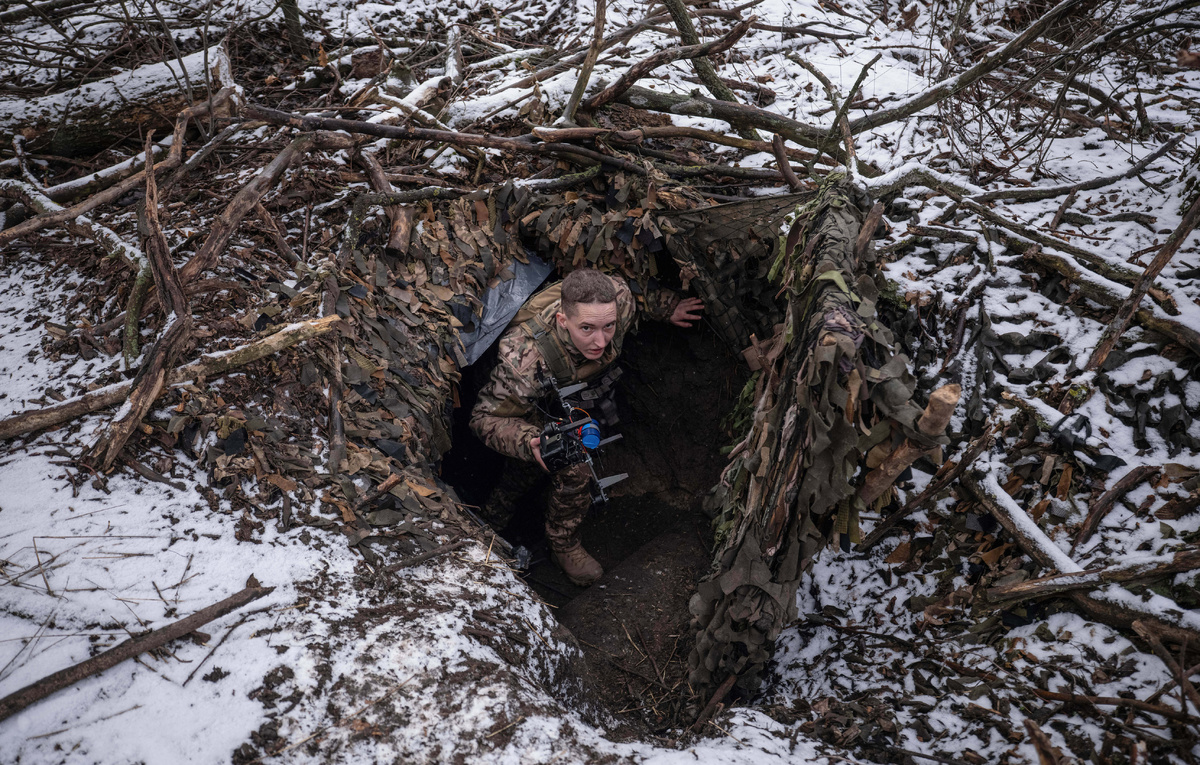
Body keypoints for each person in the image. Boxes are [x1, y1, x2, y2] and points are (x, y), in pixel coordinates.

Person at [470, 268, 704, 586]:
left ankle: (506, 506)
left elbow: (636, 292)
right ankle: (556, 540)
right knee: (569, 464)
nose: (601, 341)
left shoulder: (618, 299)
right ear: (564, 322)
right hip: (519, 406)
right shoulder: (524, 360)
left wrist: (668, 306)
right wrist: (531, 441)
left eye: (608, 326)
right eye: (588, 329)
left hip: (565, 393)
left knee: (557, 450)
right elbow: (484, 418)